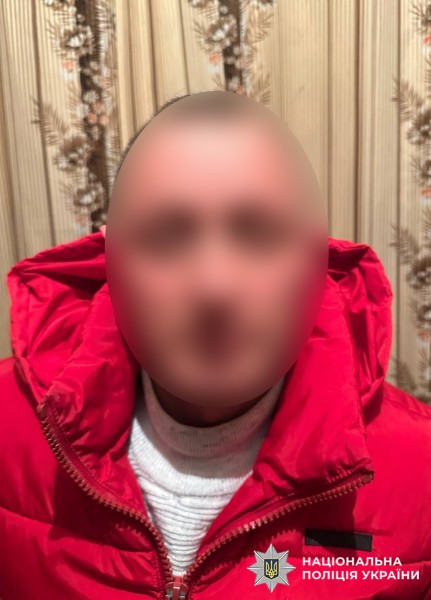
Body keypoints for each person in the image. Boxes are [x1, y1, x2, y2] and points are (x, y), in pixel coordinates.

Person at [0, 91, 430, 600]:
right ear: (108, 257)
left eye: (259, 235)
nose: (214, 286)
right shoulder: (9, 424)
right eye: (166, 238)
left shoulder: (420, 469)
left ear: (320, 258)